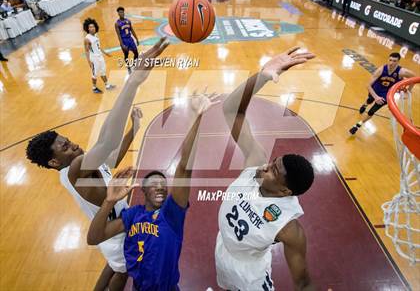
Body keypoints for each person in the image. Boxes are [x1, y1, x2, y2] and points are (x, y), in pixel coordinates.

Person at [26, 37, 170, 291]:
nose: (73, 145)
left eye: (68, 140)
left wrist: (133, 129)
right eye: (65, 147)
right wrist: (133, 82)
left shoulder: (82, 166)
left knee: (114, 267)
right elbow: (106, 141)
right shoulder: (75, 168)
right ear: (53, 161)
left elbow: (111, 156)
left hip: (111, 227)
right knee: (121, 274)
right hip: (112, 231)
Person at [87, 91, 220, 290]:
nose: (160, 186)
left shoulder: (172, 214)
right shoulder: (132, 215)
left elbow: (184, 167)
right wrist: (109, 201)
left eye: (163, 184)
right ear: (143, 191)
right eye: (154, 183)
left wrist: (196, 117)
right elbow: (94, 238)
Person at [215, 47, 316, 291]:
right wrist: (261, 75)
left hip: (251, 274)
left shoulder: (289, 228)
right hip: (223, 251)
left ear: (284, 192)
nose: (265, 167)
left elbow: (302, 282)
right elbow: (231, 109)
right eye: (273, 162)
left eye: (273, 171)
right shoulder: (256, 163)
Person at [349, 53, 416, 135]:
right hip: (375, 90)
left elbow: (414, 78)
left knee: (371, 111)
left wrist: (408, 91)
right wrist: (376, 97)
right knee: (370, 100)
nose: (391, 63)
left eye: (394, 61)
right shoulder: (381, 70)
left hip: (386, 94)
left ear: (398, 62)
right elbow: (368, 85)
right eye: (390, 60)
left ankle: (357, 125)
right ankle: (365, 105)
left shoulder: (402, 72)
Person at [83, 18, 115, 93]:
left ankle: (107, 85)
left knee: (103, 71)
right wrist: (89, 62)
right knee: (94, 74)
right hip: (94, 59)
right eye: (90, 27)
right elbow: (87, 51)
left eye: (93, 26)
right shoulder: (87, 39)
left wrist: (105, 53)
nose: (92, 28)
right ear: (87, 28)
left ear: (95, 27)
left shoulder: (96, 35)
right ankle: (94, 88)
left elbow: (98, 46)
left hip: (100, 56)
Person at [115, 7, 139, 74]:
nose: (121, 13)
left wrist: (136, 39)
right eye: (120, 12)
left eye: (122, 12)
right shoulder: (117, 23)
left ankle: (134, 65)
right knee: (126, 54)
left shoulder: (128, 21)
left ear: (124, 12)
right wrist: (122, 44)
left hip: (130, 39)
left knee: (136, 53)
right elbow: (118, 35)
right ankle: (128, 67)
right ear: (118, 14)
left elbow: (132, 30)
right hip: (124, 40)